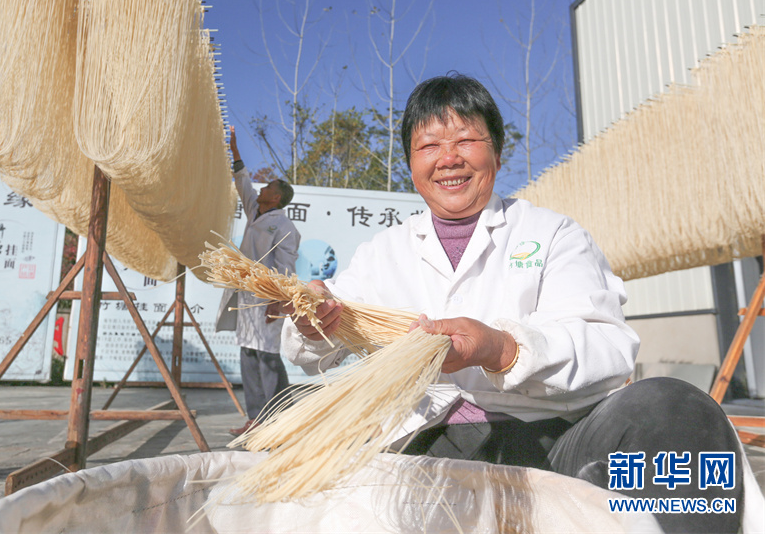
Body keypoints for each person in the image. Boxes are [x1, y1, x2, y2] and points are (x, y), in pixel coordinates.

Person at [280, 74, 751, 533]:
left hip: (554, 440)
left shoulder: (551, 234)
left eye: (466, 140)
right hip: (426, 444)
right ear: (410, 163)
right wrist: (313, 321)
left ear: (498, 154)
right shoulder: (382, 253)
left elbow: (607, 346)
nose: (448, 159)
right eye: (429, 146)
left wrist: (502, 349)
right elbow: (312, 352)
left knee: (669, 407)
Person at [216, 125, 301, 438]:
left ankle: (279, 423)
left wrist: (278, 301)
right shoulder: (255, 211)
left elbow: (286, 267)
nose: (261, 188)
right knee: (248, 356)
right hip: (246, 298)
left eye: (268, 187)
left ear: (276, 197)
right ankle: (255, 422)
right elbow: (242, 183)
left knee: (267, 359)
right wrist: (234, 149)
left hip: (267, 300)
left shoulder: (284, 226)